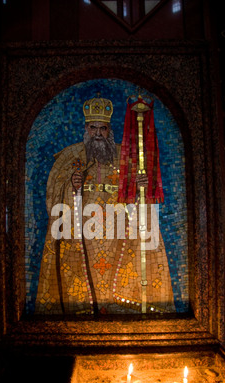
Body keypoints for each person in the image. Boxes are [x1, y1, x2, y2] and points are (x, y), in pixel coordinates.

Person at [35, 96, 175, 316]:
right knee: (83, 270)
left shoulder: (125, 155)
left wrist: (140, 186)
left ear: (110, 130)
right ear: (85, 128)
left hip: (118, 229)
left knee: (117, 271)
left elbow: (137, 193)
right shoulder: (70, 156)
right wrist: (73, 187)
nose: (98, 133)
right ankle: (83, 309)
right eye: (93, 128)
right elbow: (54, 196)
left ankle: (117, 305)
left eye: (103, 128)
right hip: (82, 230)